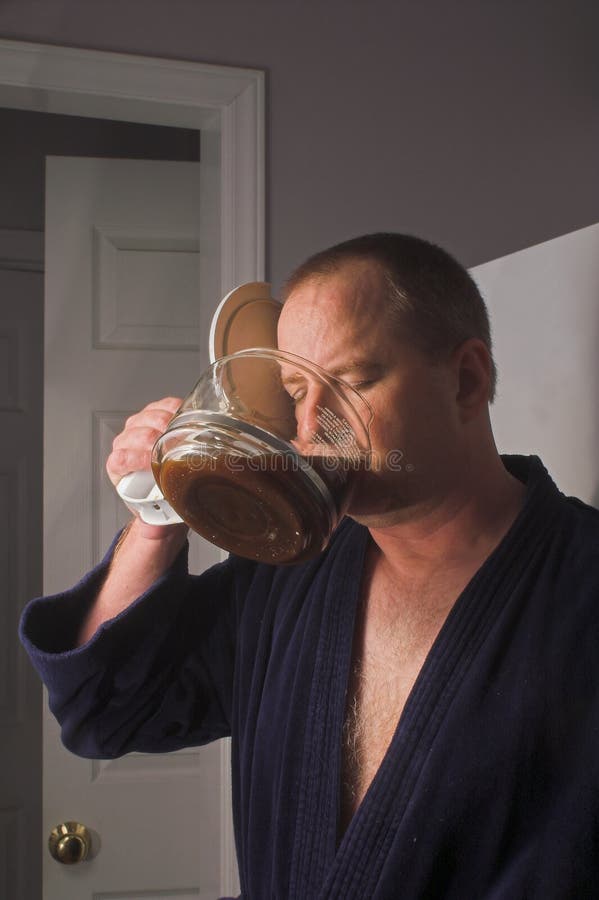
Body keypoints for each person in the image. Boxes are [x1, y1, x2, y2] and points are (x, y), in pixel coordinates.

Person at [20, 233, 599, 898]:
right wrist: (156, 519)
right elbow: (104, 713)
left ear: (465, 381)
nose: (312, 427)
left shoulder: (580, 590)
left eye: (351, 381)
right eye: (295, 390)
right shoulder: (283, 580)